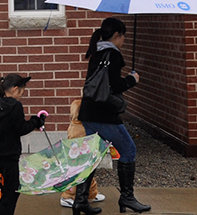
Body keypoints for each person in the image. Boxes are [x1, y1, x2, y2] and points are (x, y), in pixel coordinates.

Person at [78, 17, 148, 214]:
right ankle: (127, 198)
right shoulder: (113, 55)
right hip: (104, 114)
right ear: (117, 35)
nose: (124, 40)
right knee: (128, 150)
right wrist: (132, 80)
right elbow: (114, 86)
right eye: (123, 36)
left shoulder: (96, 52)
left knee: (91, 157)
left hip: (88, 111)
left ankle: (80, 200)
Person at [0, 74, 44, 215]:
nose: (22, 94)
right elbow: (21, 128)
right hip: (10, 154)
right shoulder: (15, 106)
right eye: (22, 91)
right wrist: (35, 122)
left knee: (7, 189)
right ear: (15, 89)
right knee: (12, 191)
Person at [60, 99, 106, 208]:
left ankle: (90, 193)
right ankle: (68, 196)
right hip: (79, 144)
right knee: (78, 169)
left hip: (85, 137)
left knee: (88, 168)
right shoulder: (79, 123)